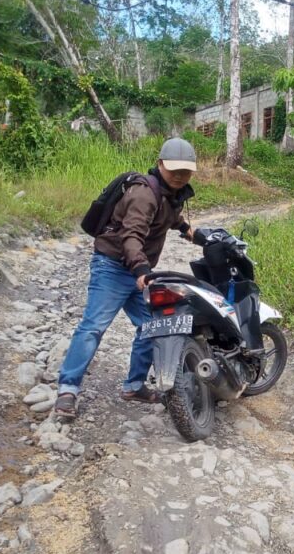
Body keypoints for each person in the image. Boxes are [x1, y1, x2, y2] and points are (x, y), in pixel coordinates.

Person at [53, 137, 201, 422]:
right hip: (114, 267)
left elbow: (169, 218)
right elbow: (131, 235)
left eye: (186, 171)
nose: (180, 176)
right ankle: (67, 390)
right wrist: (141, 271)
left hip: (137, 271)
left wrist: (190, 231)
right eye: (174, 170)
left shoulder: (169, 194)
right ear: (160, 165)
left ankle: (134, 387)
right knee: (94, 326)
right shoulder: (144, 193)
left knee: (152, 326)